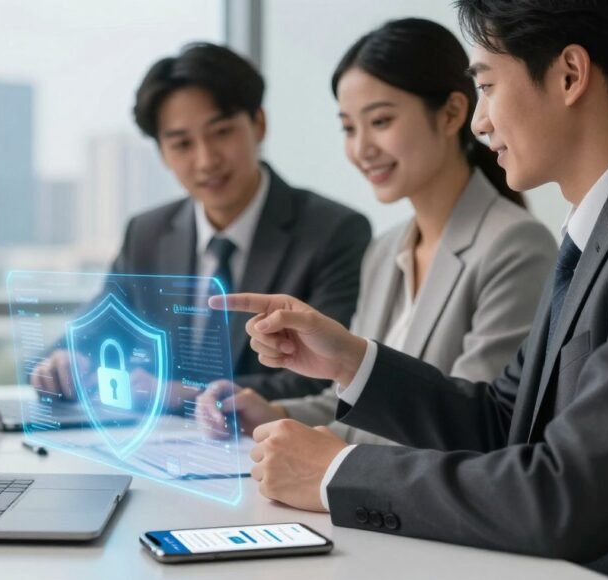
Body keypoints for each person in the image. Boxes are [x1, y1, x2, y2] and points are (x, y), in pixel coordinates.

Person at [210, 1, 608, 580]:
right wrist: (351, 361)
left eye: (486, 86)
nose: (481, 122)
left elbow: (572, 494)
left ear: (570, 75)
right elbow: (502, 422)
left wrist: (336, 473)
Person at [196, 18, 556, 442]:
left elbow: (472, 427)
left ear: (452, 113)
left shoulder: (515, 246)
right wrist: (270, 412)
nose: (361, 149)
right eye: (349, 128)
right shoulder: (385, 251)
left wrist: (324, 454)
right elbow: (359, 399)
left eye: (380, 121)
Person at [32, 42, 371, 403]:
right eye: (182, 144)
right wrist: (65, 362)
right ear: (162, 154)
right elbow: (81, 339)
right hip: (154, 437)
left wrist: (183, 395)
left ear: (259, 124)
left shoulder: (333, 232)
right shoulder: (147, 234)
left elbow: (330, 379)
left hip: (269, 436)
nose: (206, 160)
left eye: (221, 132)